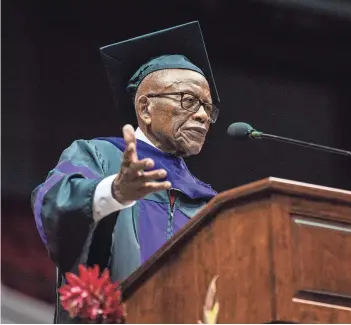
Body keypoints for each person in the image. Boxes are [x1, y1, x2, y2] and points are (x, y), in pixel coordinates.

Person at [31, 21, 220, 323]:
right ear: (145, 108)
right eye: (188, 101)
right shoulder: (97, 156)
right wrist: (114, 192)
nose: (202, 116)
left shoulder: (211, 203)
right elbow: (55, 205)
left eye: (208, 109)